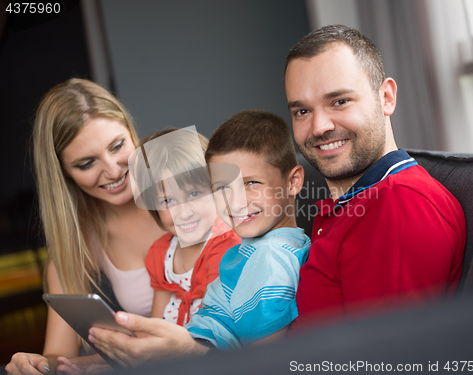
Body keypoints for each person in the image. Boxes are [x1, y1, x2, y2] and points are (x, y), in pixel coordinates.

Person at [88, 110, 310, 363]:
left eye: (251, 183)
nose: (235, 201)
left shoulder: (269, 258)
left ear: (292, 182)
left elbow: (265, 362)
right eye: (224, 187)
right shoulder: (254, 250)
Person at [283, 25, 466, 328]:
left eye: (339, 101)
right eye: (302, 111)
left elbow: (383, 360)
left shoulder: (398, 204)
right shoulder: (352, 204)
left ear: (386, 98)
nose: (318, 127)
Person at [6, 78, 164, 375]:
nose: (113, 171)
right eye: (86, 163)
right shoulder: (75, 251)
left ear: (132, 133)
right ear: (63, 173)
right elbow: (58, 356)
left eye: (117, 146)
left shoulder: (189, 191)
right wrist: (34, 364)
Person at [131, 127, 240, 325]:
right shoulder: (161, 252)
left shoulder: (224, 247)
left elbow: (212, 324)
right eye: (168, 201)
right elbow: (156, 323)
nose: (184, 213)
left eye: (194, 194)